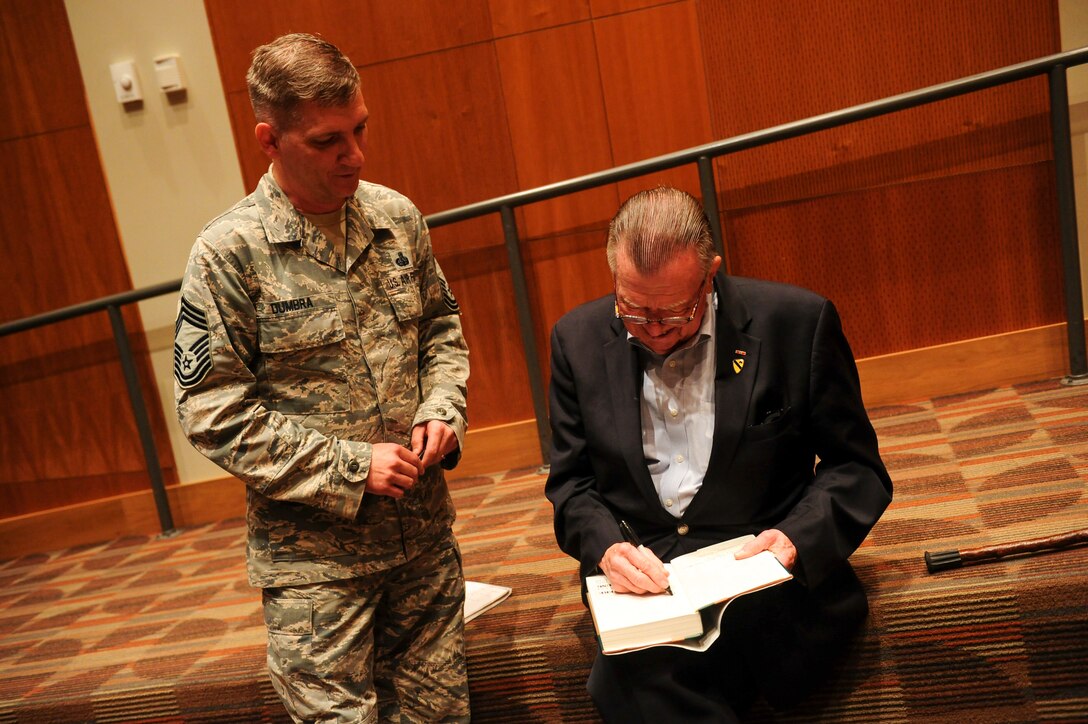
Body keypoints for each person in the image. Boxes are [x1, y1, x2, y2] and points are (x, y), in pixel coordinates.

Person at [173, 33, 470, 723]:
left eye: (360, 129)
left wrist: (442, 411)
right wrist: (347, 466)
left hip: (421, 544)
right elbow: (211, 410)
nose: (355, 155)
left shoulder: (396, 219)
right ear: (268, 140)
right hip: (315, 571)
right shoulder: (228, 254)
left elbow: (442, 334)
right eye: (328, 140)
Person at [545, 186, 892, 722]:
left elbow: (858, 470)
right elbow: (572, 486)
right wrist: (608, 549)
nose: (655, 333)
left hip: (767, 581)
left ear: (711, 275)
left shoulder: (796, 323)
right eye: (634, 311)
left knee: (637, 684)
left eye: (675, 313)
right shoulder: (577, 340)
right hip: (650, 590)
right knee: (635, 671)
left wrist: (798, 538)